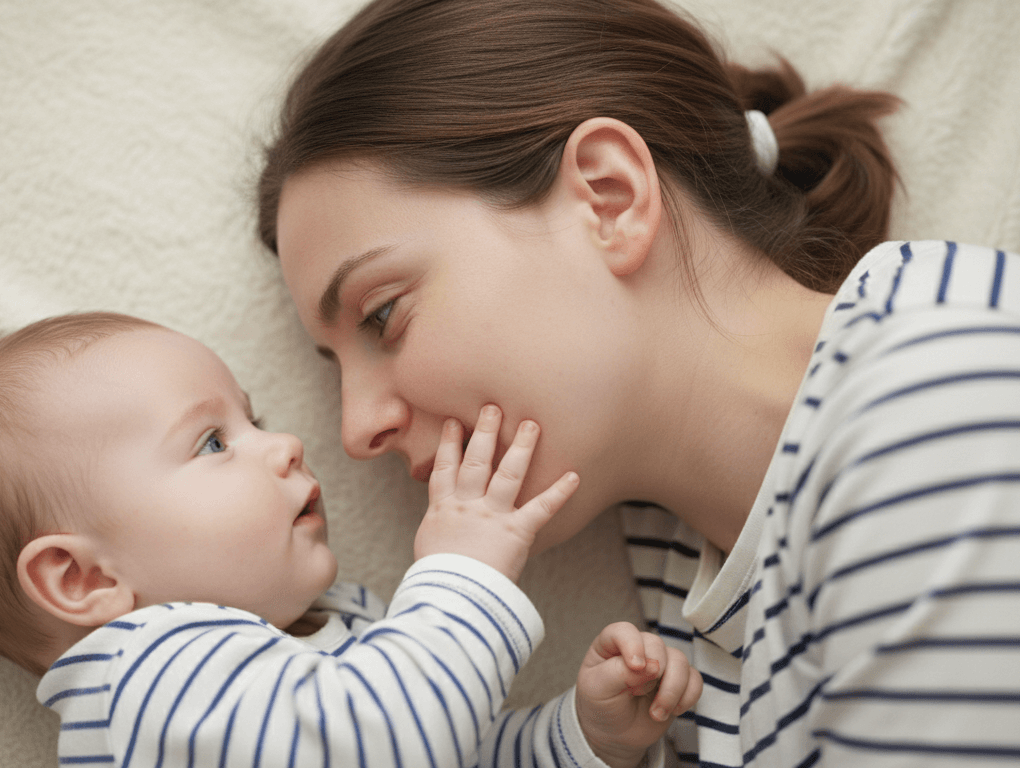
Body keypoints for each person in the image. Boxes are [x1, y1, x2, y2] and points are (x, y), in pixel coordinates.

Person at [257, 0, 1020, 765]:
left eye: (382, 314)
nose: (356, 431)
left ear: (609, 198)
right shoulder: (679, 577)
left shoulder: (937, 402)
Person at [0, 311, 702, 768]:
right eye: (211, 442)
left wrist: (581, 739)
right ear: (82, 579)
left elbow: (455, 747)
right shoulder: (145, 680)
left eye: (254, 419)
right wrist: (463, 567)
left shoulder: (337, 637)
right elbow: (395, 740)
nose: (284, 445)